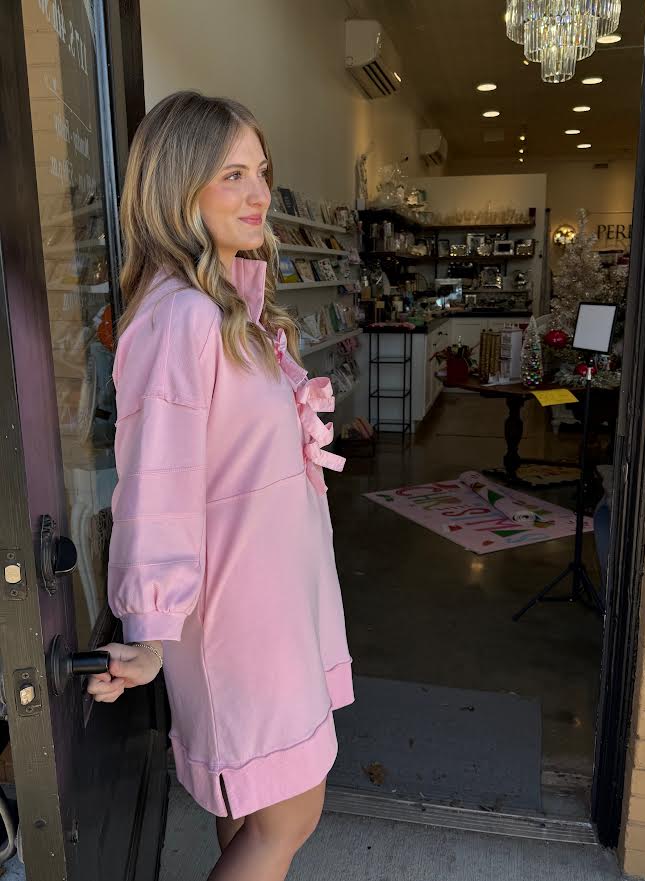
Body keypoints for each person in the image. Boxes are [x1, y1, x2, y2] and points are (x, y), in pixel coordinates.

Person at [85, 90, 354, 881]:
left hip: (268, 607)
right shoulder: (183, 320)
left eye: (260, 172)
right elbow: (156, 487)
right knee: (290, 814)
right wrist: (148, 631)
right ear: (178, 188)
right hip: (241, 621)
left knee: (251, 812)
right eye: (231, 173)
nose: (259, 194)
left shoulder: (223, 307)